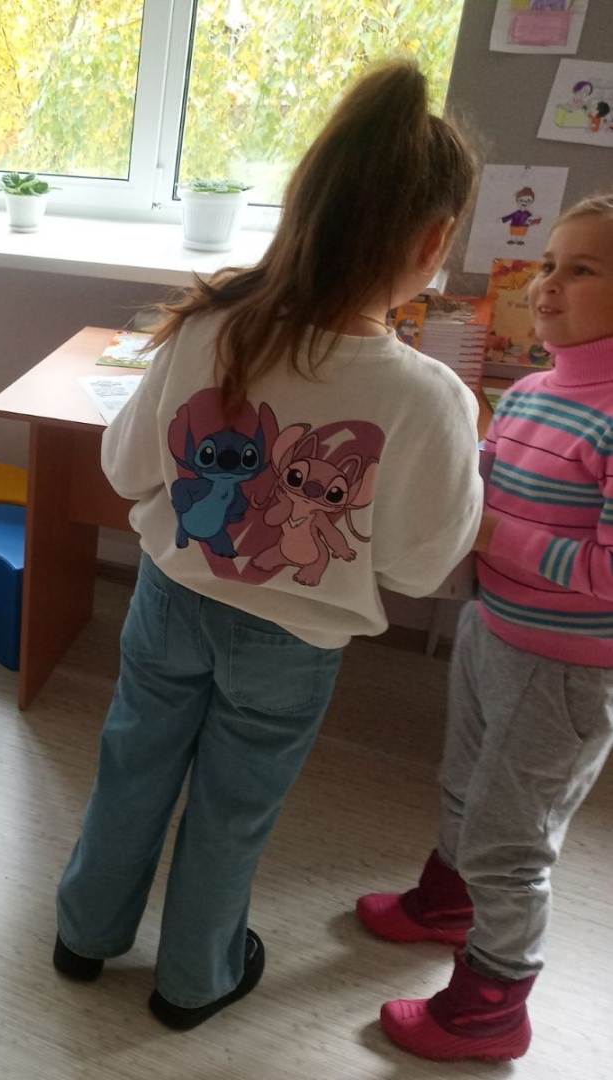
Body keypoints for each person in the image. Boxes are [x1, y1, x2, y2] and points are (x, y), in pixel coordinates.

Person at [52, 58, 484, 1032]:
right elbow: (420, 568)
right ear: (433, 241)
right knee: (233, 811)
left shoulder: (210, 326)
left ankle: (84, 934)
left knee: (132, 767)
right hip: (294, 642)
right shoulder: (430, 398)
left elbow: (127, 468)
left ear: (305, 205)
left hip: (170, 600)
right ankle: (192, 981)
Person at [356, 193, 613, 1063]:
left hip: (567, 667)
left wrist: (490, 532)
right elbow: (480, 482)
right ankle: (449, 901)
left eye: (583, 269)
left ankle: (491, 1006)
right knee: (466, 783)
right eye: (549, 263)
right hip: (493, 626)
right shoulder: (537, 390)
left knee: (514, 837)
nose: (548, 284)